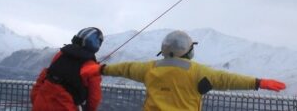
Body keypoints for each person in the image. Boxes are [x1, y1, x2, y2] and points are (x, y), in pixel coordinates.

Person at [81, 30, 286, 111]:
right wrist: (258, 83)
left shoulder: (149, 68)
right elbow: (228, 80)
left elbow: (124, 69)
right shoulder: (198, 72)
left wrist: (100, 69)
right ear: (188, 51)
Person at [31, 27, 104, 111]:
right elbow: (94, 98)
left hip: (40, 104)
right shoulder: (91, 66)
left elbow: (45, 76)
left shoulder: (61, 54)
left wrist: (37, 100)